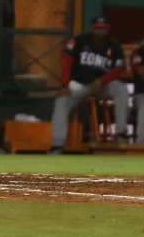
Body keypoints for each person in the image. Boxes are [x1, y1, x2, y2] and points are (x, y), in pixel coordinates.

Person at [49, 16, 128, 154]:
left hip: (103, 85)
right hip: (80, 84)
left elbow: (118, 68)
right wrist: (65, 85)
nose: (100, 31)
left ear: (107, 28)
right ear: (92, 28)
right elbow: (67, 60)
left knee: (121, 89)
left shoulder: (114, 45)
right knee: (61, 101)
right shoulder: (80, 40)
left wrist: (101, 80)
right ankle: (57, 145)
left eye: (103, 28)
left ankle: (120, 133)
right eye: (97, 28)